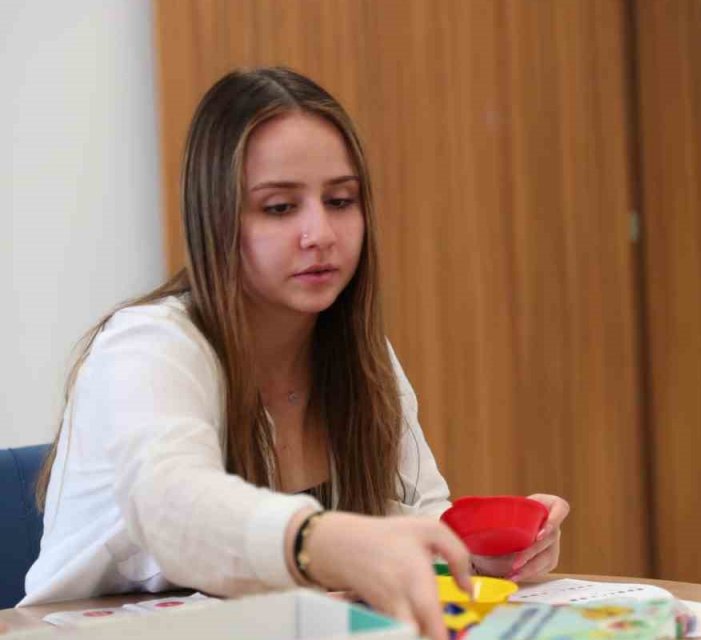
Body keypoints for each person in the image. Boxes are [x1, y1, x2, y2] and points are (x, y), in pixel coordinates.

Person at [22, 67, 569, 639]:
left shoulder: (359, 352)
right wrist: (326, 542)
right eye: (280, 208)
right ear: (217, 219)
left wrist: (478, 553)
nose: (320, 233)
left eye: (340, 200)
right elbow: (176, 511)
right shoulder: (147, 345)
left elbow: (417, 519)